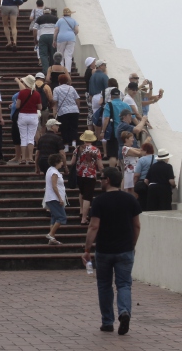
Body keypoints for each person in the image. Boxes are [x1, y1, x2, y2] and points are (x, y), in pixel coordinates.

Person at [82, 167, 141, 336]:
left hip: (104, 249)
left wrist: (87, 249)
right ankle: (124, 312)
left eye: (102, 178)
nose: (100, 181)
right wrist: (132, 244)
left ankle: (107, 322)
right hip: (125, 249)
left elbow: (93, 226)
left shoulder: (100, 201)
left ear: (107, 180)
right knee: (124, 284)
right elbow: (137, 225)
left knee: (104, 285)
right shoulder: (130, 200)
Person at [70, 130, 104, 225]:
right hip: (90, 175)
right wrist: (102, 173)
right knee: (88, 197)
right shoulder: (95, 150)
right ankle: (84, 218)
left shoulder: (78, 148)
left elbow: (72, 162)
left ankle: (81, 211)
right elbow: (100, 165)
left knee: (82, 192)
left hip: (79, 174)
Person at [100, 88, 132, 167]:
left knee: (113, 154)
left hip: (113, 133)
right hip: (125, 133)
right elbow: (133, 118)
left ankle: (113, 172)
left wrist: (103, 131)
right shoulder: (126, 105)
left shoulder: (109, 105)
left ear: (111, 96)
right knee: (122, 153)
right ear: (119, 96)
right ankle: (121, 170)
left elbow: (106, 118)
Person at [15, 75, 42, 165]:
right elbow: (40, 107)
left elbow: (18, 106)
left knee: (23, 137)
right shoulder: (37, 94)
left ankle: (23, 158)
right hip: (33, 116)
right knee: (31, 138)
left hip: (22, 116)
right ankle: (30, 158)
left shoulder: (21, 93)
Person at [43, 153, 68, 246]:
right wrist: (60, 198)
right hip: (54, 198)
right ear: (57, 162)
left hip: (51, 198)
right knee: (62, 217)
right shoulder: (54, 172)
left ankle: (52, 238)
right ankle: (50, 234)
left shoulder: (50, 170)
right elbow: (54, 186)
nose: (62, 163)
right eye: (61, 161)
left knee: (54, 217)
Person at [52, 74, 81, 152]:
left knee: (64, 128)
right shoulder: (71, 88)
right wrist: (77, 108)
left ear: (59, 81)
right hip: (74, 110)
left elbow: (55, 101)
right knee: (74, 127)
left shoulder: (56, 89)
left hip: (63, 111)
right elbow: (77, 99)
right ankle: (74, 143)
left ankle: (66, 146)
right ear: (67, 80)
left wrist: (54, 111)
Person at [120, 131, 149, 195]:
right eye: (131, 138)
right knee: (131, 190)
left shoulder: (129, 148)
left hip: (134, 170)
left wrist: (146, 143)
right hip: (130, 171)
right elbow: (140, 153)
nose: (133, 139)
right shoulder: (125, 148)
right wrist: (146, 142)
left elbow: (140, 150)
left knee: (134, 189)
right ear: (126, 139)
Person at [53, 7, 80, 72]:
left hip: (61, 38)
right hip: (71, 38)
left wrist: (54, 40)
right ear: (70, 14)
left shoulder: (60, 20)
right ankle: (68, 71)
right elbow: (77, 30)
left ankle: (61, 70)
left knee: (60, 54)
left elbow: (56, 30)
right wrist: (73, 34)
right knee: (68, 55)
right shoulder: (74, 21)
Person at [33, 8, 58, 74]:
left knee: (43, 54)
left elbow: (35, 29)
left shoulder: (39, 18)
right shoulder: (55, 18)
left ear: (43, 12)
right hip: (52, 36)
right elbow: (58, 29)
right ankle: (52, 69)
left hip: (43, 36)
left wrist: (35, 39)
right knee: (53, 53)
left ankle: (46, 71)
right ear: (50, 12)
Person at [133, 142, 156, 210]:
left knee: (142, 201)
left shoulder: (141, 159)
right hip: (153, 182)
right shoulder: (157, 158)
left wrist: (134, 184)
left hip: (143, 183)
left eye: (141, 150)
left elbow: (137, 174)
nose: (140, 151)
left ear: (145, 151)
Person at [33, 72, 54, 140]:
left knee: (36, 127)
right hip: (44, 109)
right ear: (43, 79)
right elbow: (50, 99)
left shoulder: (32, 86)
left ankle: (37, 141)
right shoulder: (46, 86)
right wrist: (51, 106)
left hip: (34, 110)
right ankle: (42, 139)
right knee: (44, 125)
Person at [83, 57, 97, 131]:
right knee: (91, 112)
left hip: (88, 93)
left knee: (90, 112)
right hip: (90, 94)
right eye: (94, 62)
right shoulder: (90, 71)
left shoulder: (87, 71)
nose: (95, 63)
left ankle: (90, 130)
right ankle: (91, 129)